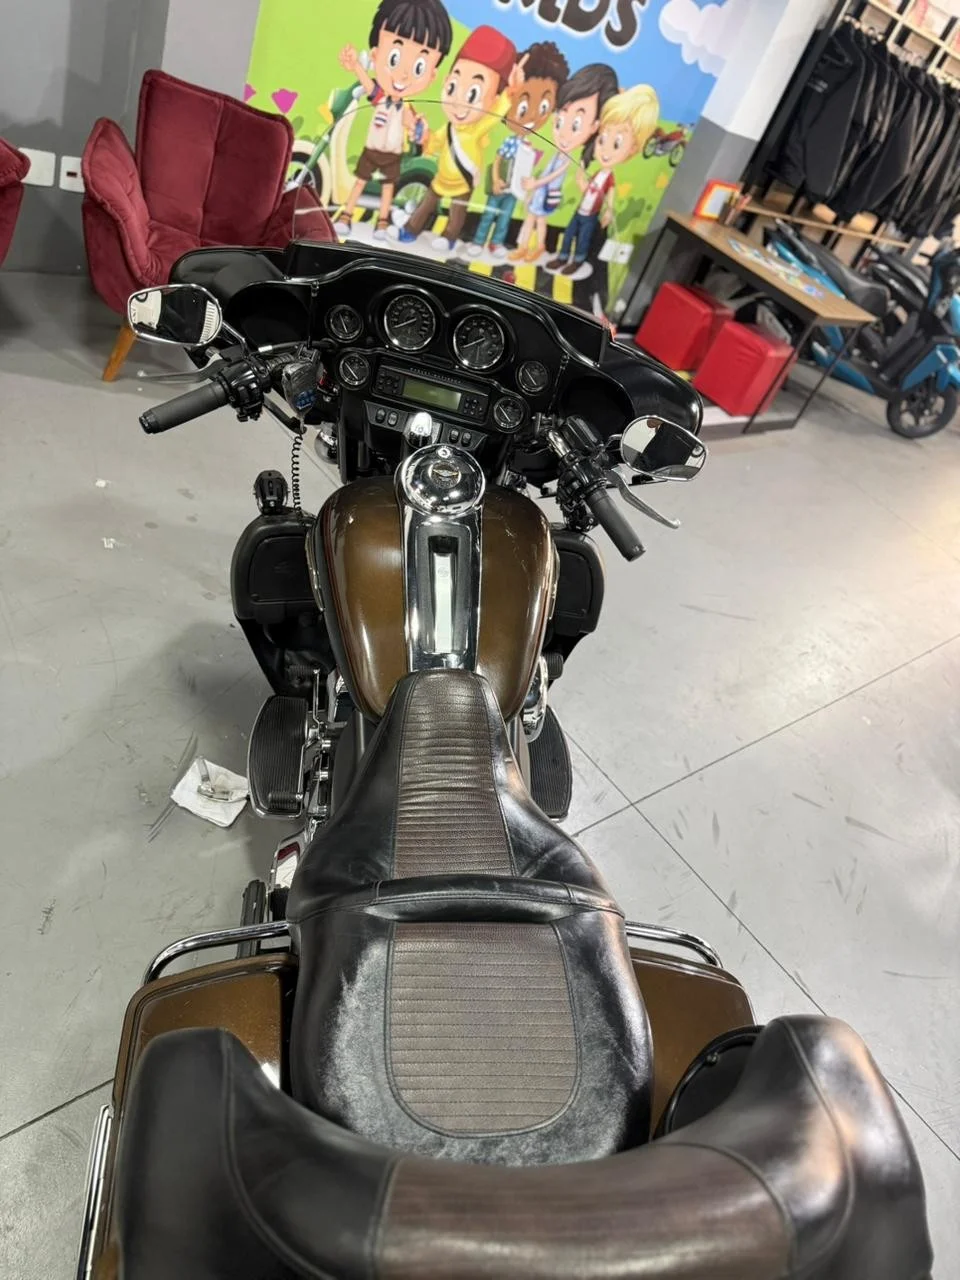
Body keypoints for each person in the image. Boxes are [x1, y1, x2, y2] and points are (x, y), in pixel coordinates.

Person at [335, 0, 452, 239]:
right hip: (372, 149)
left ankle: (382, 223)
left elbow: (416, 132)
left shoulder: (406, 108)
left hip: (393, 154)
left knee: (388, 187)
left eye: (419, 67)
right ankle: (346, 216)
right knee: (360, 182)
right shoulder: (380, 96)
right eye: (394, 58)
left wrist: (421, 131)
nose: (404, 75)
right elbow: (367, 83)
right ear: (376, 54)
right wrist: (356, 66)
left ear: (432, 75)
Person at [398, 25, 521, 253]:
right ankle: (411, 228)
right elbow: (432, 145)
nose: (458, 101)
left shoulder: (477, 128)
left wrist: (510, 93)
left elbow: (495, 115)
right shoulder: (448, 128)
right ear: (446, 81)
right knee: (427, 203)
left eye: (473, 93)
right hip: (441, 178)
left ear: (493, 100)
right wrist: (420, 134)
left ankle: (450, 236)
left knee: (457, 210)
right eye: (453, 86)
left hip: (463, 181)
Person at [510, 62, 618, 265]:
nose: (564, 132)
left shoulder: (569, 159)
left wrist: (536, 184)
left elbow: (554, 175)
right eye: (560, 120)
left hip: (547, 196)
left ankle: (537, 246)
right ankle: (523, 247)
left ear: (595, 126)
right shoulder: (556, 152)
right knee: (532, 219)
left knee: (539, 220)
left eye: (576, 124)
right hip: (540, 193)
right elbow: (546, 172)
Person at [547, 82, 659, 276]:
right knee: (569, 234)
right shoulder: (597, 174)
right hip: (579, 211)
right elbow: (589, 191)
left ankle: (577, 261)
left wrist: (609, 211)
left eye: (616, 143)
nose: (605, 150)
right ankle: (562, 257)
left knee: (583, 239)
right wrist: (581, 181)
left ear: (633, 148)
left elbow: (609, 195)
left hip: (591, 216)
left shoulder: (609, 177)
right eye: (602, 139)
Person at [468, 42, 568, 259]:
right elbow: (498, 158)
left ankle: (496, 243)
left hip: (515, 191)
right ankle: (478, 241)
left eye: (543, 108)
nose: (531, 116)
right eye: (523, 106)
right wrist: (496, 179)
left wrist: (527, 184)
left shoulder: (532, 147)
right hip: (501, 186)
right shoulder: (511, 142)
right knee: (489, 214)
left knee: (505, 217)